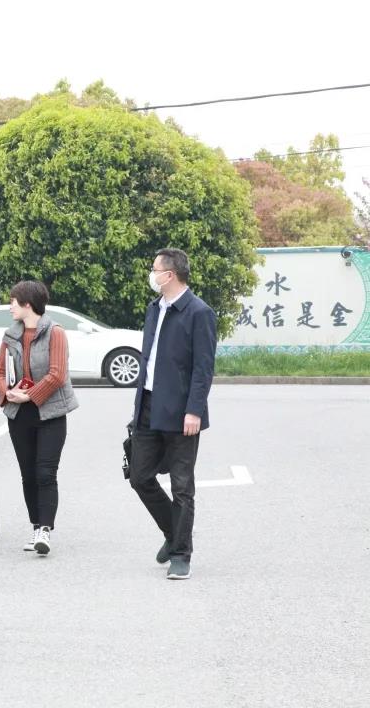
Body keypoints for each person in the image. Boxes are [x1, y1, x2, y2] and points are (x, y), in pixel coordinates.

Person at [129, 248, 217, 581]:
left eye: (154, 269)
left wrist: (194, 410)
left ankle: (181, 554)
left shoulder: (199, 312)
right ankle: (173, 532)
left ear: (170, 275)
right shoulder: (154, 308)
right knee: (139, 477)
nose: (151, 274)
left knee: (182, 486)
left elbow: (203, 368)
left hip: (182, 411)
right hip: (148, 405)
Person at [0, 281, 78, 556]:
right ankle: (36, 526)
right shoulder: (10, 335)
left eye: (13, 301)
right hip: (19, 414)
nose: (10, 306)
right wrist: (8, 392)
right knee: (28, 474)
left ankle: (45, 530)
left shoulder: (55, 332)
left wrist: (29, 395)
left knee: (45, 473)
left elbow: (57, 374)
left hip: (50, 412)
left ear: (27, 304)